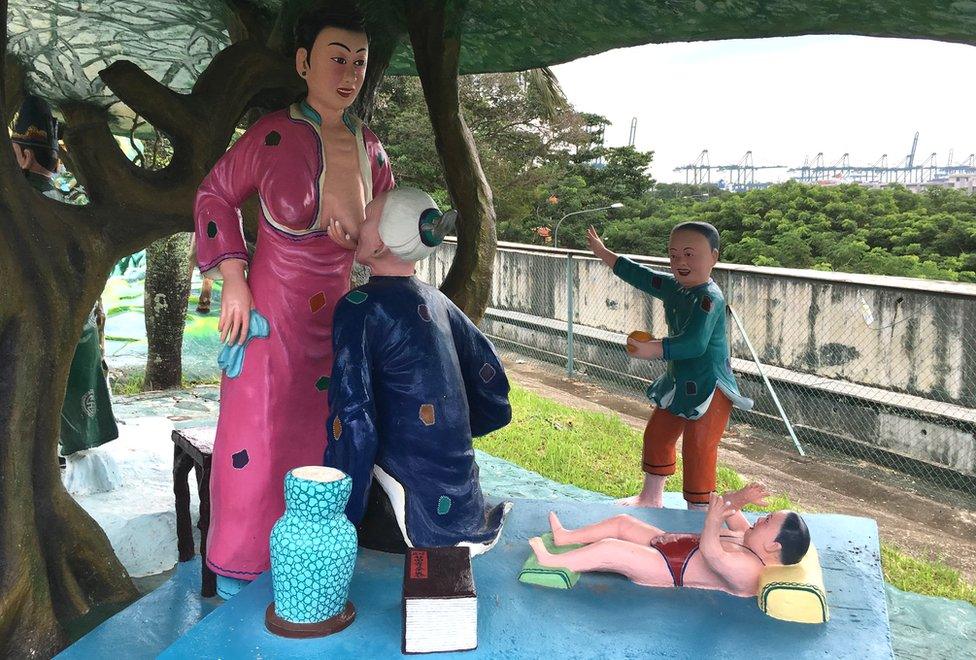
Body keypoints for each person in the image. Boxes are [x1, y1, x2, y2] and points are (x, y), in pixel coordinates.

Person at [193, 7, 394, 598]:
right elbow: (214, 195)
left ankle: (314, 571)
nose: (349, 72)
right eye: (337, 58)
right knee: (253, 444)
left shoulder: (373, 150)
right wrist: (233, 274)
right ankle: (239, 575)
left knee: (327, 443)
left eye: (359, 61)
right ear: (304, 62)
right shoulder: (271, 136)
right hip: (269, 319)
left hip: (338, 324)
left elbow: (383, 235)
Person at [324, 187, 512, 555]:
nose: (357, 226)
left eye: (366, 219)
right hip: (464, 495)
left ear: (380, 244)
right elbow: (490, 375)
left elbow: (352, 416)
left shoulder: (358, 307)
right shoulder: (438, 300)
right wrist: (452, 430)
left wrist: (340, 507)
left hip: (407, 501)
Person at [586, 223, 753, 510]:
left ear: (713, 257)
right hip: (678, 383)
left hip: (709, 386)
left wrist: (656, 348)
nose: (680, 263)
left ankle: (699, 512)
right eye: (674, 255)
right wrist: (604, 253)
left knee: (698, 447)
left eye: (690, 254)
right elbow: (643, 276)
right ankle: (650, 497)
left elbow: (694, 343)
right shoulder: (675, 288)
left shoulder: (709, 299)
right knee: (657, 435)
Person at [11, 95, 119, 459]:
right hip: (79, 325)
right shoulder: (70, 200)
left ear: (24, 155)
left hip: (35, 328)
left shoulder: (17, 204)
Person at [529, 484, 810, 597]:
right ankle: (566, 537)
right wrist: (741, 497)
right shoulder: (746, 537)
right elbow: (727, 506)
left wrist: (712, 520)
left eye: (767, 522)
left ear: (774, 546)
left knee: (612, 549)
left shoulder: (751, 570)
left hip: (669, 567)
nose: (760, 519)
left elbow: (713, 555)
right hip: (673, 544)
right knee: (622, 523)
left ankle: (551, 560)